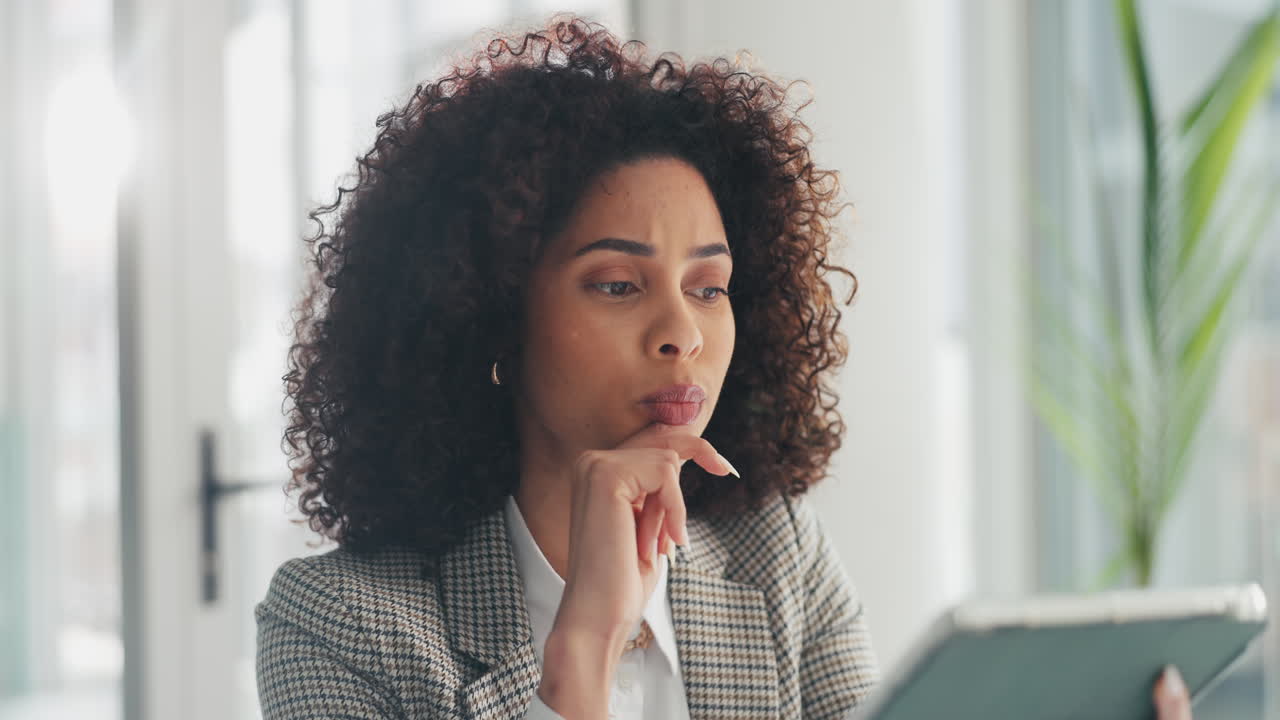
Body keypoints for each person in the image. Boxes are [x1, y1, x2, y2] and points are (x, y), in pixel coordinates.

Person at [254, 14, 1197, 720]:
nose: (683, 333)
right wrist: (579, 652)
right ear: (493, 319)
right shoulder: (339, 625)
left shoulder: (777, 561)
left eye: (708, 288)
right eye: (619, 285)